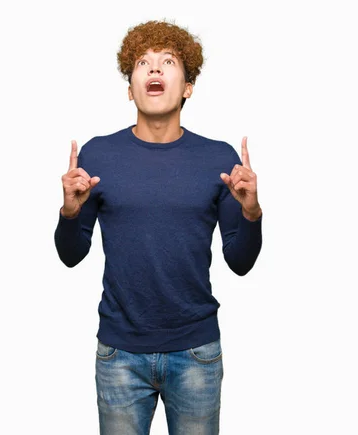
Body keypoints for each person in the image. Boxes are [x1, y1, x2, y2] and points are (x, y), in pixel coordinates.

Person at [54, 19, 263, 435]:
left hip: (196, 353)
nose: (154, 69)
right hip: (120, 354)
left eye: (167, 62)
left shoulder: (218, 159)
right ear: (130, 88)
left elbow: (240, 263)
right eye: (143, 63)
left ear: (187, 87)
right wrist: (69, 213)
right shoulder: (98, 154)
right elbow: (70, 255)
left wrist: (252, 213)